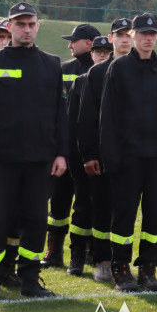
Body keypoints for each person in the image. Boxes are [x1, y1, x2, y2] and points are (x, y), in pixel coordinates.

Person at [0, 3, 68, 301]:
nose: (26, 29)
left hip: (40, 160)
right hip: (1, 161)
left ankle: (30, 280)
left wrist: (62, 153)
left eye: (31, 24)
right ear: (9, 26)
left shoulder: (52, 64)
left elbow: (59, 114)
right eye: (20, 24)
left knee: (36, 221)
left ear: (37, 27)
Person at [99, 13, 157, 292]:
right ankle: (121, 270)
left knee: (154, 216)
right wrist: (111, 157)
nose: (148, 38)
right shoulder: (119, 68)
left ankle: (148, 268)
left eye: (153, 34)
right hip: (128, 158)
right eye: (143, 33)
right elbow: (108, 116)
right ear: (133, 35)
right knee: (124, 215)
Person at [76, 18, 134, 283]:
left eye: (128, 34)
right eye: (119, 35)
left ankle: (123, 261)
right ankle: (102, 260)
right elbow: (86, 117)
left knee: (126, 210)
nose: (124, 39)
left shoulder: (142, 70)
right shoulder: (97, 73)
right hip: (103, 155)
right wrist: (89, 154)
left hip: (134, 154)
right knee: (101, 208)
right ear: (110, 39)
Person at [43, 23, 101, 268]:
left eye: (73, 41)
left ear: (88, 43)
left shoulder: (101, 72)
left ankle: (84, 254)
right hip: (61, 150)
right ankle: (53, 253)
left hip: (86, 151)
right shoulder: (64, 69)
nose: (69, 46)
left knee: (86, 204)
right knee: (58, 202)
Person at [64, 35, 112, 276]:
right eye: (97, 50)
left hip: (108, 157)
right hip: (83, 156)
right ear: (90, 53)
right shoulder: (81, 82)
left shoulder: (114, 79)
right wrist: (78, 157)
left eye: (106, 50)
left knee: (105, 209)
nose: (102, 54)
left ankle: (101, 256)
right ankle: (77, 255)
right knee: (82, 206)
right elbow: (73, 123)